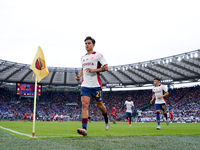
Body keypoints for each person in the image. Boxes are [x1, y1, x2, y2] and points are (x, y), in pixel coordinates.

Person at [75, 36, 110, 136]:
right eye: (86, 43)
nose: (87, 45)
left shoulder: (98, 55)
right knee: (84, 105)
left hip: (96, 85)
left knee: (100, 106)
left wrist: (93, 70)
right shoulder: (82, 57)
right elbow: (83, 68)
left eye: (89, 43)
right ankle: (84, 129)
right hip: (85, 85)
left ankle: (106, 118)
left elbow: (106, 68)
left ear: (93, 45)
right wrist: (79, 76)